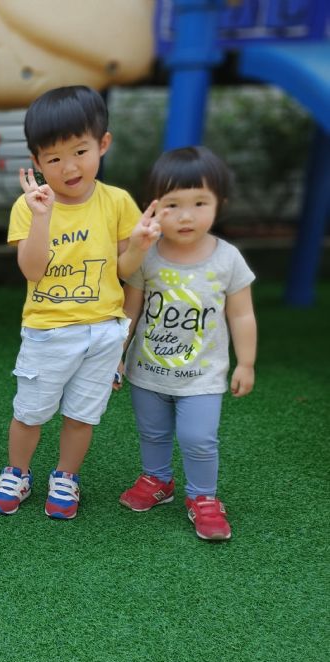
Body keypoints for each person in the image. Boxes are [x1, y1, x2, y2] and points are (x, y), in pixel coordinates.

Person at [0, 85, 160, 519]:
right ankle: (17, 472)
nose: (69, 167)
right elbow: (32, 270)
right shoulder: (29, 206)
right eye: (53, 159)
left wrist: (139, 246)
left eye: (80, 151)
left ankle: (66, 476)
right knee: (30, 413)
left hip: (103, 332)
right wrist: (42, 217)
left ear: (103, 143)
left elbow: (123, 270)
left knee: (82, 415)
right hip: (47, 331)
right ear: (36, 162)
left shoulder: (117, 202)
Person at [117, 146, 256, 541]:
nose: (185, 216)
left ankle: (203, 497)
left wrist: (246, 363)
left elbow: (241, 315)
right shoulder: (147, 256)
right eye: (173, 205)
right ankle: (157, 479)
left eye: (199, 203)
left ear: (219, 204)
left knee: (199, 439)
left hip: (202, 376)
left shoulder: (227, 259)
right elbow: (130, 309)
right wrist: (116, 355)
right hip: (148, 371)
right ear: (154, 207)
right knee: (152, 433)